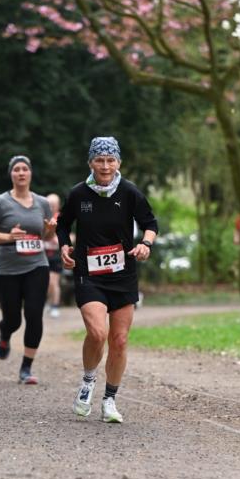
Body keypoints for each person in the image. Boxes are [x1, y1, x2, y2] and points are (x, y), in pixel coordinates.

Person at [56, 136, 158, 423]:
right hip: (89, 273)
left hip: (123, 274)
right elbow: (63, 224)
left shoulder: (129, 193)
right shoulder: (78, 194)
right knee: (98, 333)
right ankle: (88, 381)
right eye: (99, 160)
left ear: (118, 163)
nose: (105, 166)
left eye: (110, 160)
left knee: (120, 340)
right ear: (90, 163)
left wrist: (145, 244)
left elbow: (150, 223)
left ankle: (110, 400)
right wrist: (64, 246)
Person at [0, 155, 55, 385]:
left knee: (34, 314)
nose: (21, 173)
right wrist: (7, 236)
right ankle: (4, 334)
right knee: (13, 319)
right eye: (16, 170)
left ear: (30, 174)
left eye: (25, 169)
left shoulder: (42, 203)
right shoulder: (0, 202)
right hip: (6, 266)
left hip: (36, 264)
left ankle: (26, 368)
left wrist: (50, 230)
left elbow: (47, 236)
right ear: (11, 175)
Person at [44, 193, 62, 318]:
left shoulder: (61, 217)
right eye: (49, 204)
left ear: (58, 205)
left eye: (53, 204)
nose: (51, 206)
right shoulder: (42, 216)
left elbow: (70, 235)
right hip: (42, 253)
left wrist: (58, 239)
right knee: (44, 282)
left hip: (55, 254)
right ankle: (49, 302)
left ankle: (55, 305)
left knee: (53, 282)